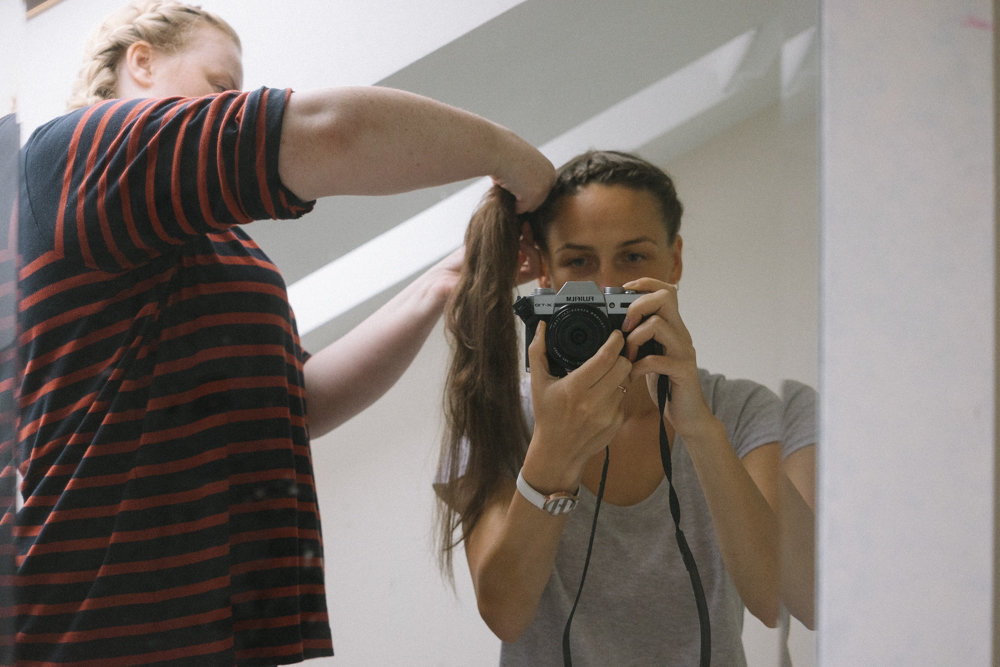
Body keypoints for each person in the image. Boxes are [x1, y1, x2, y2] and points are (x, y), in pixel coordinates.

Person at [10, 1, 554, 664]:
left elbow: (302, 396)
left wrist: (449, 278)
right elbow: (329, 132)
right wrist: (510, 155)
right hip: (100, 627)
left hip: (220, 626)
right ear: (141, 61)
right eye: (220, 86)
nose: (233, 105)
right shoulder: (77, 150)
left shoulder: (218, 248)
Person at [436, 150, 782, 665]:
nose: (607, 287)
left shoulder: (741, 411)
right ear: (546, 276)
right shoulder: (495, 416)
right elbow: (505, 613)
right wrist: (554, 449)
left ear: (675, 260)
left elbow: (774, 599)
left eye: (633, 257)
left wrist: (699, 430)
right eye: (579, 261)